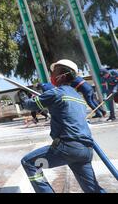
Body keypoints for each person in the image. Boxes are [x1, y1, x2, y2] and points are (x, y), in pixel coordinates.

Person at [20, 59, 105, 193]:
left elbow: (31, 105)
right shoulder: (77, 97)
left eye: (54, 73)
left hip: (68, 149)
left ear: (63, 76)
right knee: (92, 189)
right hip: (86, 150)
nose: (52, 76)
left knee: (29, 163)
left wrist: (23, 99)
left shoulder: (56, 93)